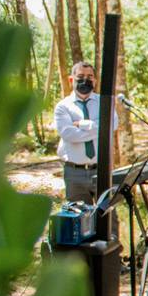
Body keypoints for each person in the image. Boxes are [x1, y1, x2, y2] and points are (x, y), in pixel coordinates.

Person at [53, 61, 118, 202]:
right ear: (71, 79)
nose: (85, 80)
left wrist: (83, 124)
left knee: (108, 219)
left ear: (94, 80)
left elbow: (112, 125)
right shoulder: (63, 107)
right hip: (74, 173)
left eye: (90, 76)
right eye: (81, 76)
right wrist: (100, 128)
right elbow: (69, 135)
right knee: (78, 220)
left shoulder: (105, 102)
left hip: (102, 171)